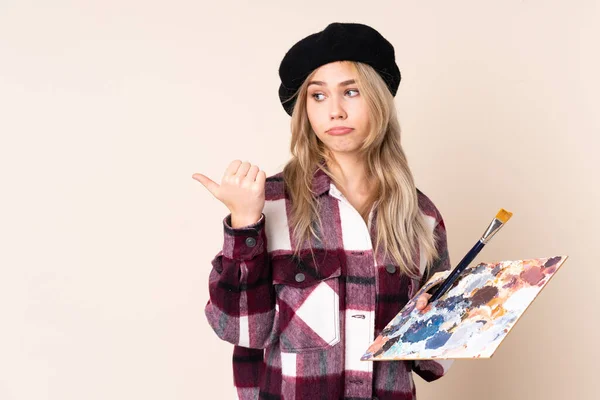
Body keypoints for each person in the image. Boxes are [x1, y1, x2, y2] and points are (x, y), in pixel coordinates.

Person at [193, 22, 454, 400]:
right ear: (304, 110)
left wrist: (436, 321)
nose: (335, 111)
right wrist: (244, 226)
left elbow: (435, 361)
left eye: (351, 92)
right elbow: (239, 329)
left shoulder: (421, 215)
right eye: (318, 96)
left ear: (379, 100)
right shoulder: (269, 205)